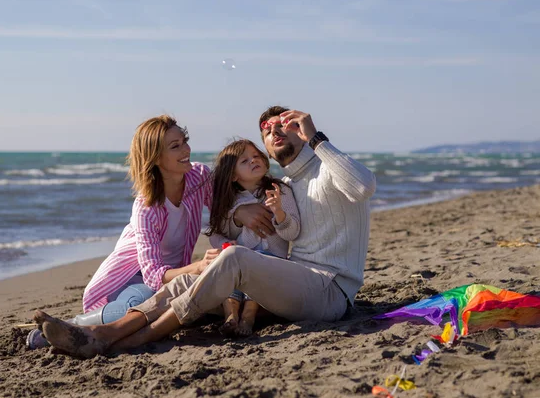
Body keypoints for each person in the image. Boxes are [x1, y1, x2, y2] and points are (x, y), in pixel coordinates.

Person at [33, 107, 376, 358]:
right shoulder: (282, 186)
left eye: (285, 124)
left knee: (233, 258)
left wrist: (315, 137)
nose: (275, 131)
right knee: (186, 281)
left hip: (332, 290)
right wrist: (239, 215)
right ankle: (102, 333)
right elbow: (227, 216)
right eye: (267, 130)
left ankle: (131, 340)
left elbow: (363, 187)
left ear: (300, 130)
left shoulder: (328, 166)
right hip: (294, 285)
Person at [27, 115, 217, 349]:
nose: (186, 149)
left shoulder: (199, 176)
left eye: (184, 141)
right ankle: (70, 327)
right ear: (155, 157)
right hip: (129, 279)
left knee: (173, 302)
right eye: (175, 146)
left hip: (173, 278)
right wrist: (197, 267)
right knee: (146, 299)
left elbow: (222, 208)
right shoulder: (147, 206)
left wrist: (245, 211)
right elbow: (153, 275)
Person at [206, 139, 300, 336]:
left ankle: (248, 318)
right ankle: (231, 317)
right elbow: (220, 231)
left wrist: (279, 213)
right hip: (242, 262)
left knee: (259, 269)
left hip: (272, 261)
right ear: (232, 175)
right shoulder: (230, 201)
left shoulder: (281, 191)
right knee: (230, 274)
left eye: (256, 156)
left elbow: (293, 233)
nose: (253, 161)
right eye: (244, 160)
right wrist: (231, 233)